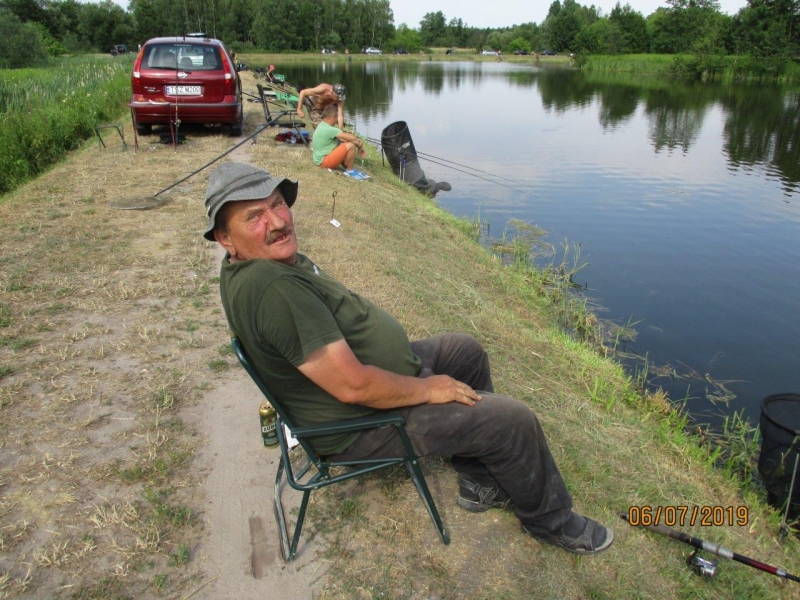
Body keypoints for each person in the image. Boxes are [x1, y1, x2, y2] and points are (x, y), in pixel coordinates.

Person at [203, 162, 615, 556]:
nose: (277, 221)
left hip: (372, 382)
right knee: (512, 421)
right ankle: (552, 522)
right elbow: (353, 386)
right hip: (359, 425)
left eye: (277, 203)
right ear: (225, 238)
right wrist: (428, 389)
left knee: (465, 351)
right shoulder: (272, 288)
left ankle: (478, 480)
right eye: (254, 217)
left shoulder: (250, 265)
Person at [312, 105, 366, 173]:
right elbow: (353, 138)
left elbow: (345, 139)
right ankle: (350, 171)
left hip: (319, 160)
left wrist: (357, 142)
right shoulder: (330, 129)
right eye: (336, 118)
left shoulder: (322, 125)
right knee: (350, 145)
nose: (336, 121)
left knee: (344, 143)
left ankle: (347, 165)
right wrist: (360, 147)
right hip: (324, 162)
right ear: (333, 117)